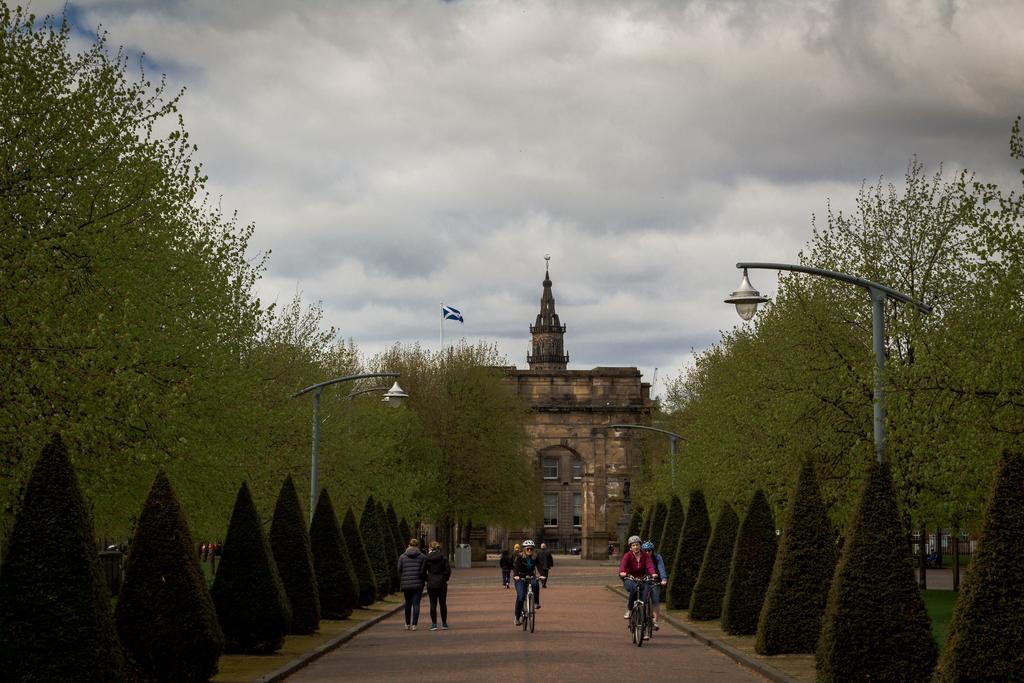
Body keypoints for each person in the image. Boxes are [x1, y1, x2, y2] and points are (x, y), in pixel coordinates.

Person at [618, 535, 656, 619]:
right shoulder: (627, 556)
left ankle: (646, 611)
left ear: (640, 546)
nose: (636, 547)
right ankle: (630, 609)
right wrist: (622, 572)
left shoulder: (645, 556)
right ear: (630, 547)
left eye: (637, 545)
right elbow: (623, 565)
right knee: (634, 589)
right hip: (630, 578)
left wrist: (653, 573)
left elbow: (649, 565)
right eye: (633, 545)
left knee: (647, 590)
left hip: (642, 578)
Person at [512, 539, 545, 626]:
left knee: (535, 583)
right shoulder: (519, 557)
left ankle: (536, 602)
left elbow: (539, 566)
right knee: (521, 596)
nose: (529, 550)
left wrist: (542, 574)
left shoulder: (535, 557)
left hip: (530, 576)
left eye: (531, 549)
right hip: (520, 578)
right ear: (524, 549)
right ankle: (517, 617)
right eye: (527, 549)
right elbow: (516, 567)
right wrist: (516, 575)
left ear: (533, 550)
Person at [422, 540, 451, 631]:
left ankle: (434, 624)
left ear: (430, 548)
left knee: (433, 603)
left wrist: (428, 579)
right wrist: (444, 578)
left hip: (431, 583)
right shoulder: (444, 558)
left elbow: (422, 572)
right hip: (442, 583)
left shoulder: (427, 558)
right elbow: (448, 571)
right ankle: (444, 623)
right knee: (443, 604)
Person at [397, 538, 427, 630]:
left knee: (407, 604)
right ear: (417, 545)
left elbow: (399, 569)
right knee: (416, 604)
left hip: (406, 584)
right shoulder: (422, 556)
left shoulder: (402, 556)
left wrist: (403, 579)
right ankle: (414, 624)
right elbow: (423, 571)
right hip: (418, 584)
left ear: (408, 545)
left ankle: (407, 624)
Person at [642, 540, 668, 630]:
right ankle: (640, 616)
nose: (647, 552)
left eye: (649, 550)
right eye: (645, 550)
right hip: (643, 580)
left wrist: (664, 579)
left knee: (655, 601)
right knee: (641, 599)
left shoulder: (657, 558)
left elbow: (661, 568)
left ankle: (655, 621)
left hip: (654, 580)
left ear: (652, 550)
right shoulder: (640, 558)